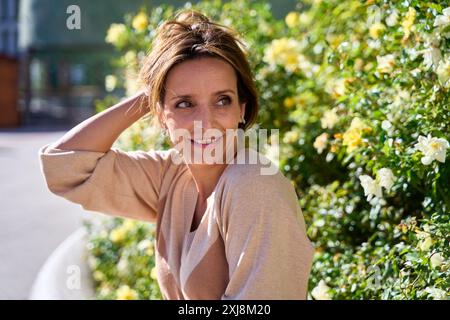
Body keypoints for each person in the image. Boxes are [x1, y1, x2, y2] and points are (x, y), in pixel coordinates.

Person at [38, 9, 314, 300]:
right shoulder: (172, 174)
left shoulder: (253, 185)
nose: (205, 123)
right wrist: (152, 91)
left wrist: (172, 94)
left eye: (222, 100)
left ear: (241, 110)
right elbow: (65, 167)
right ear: (160, 115)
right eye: (185, 104)